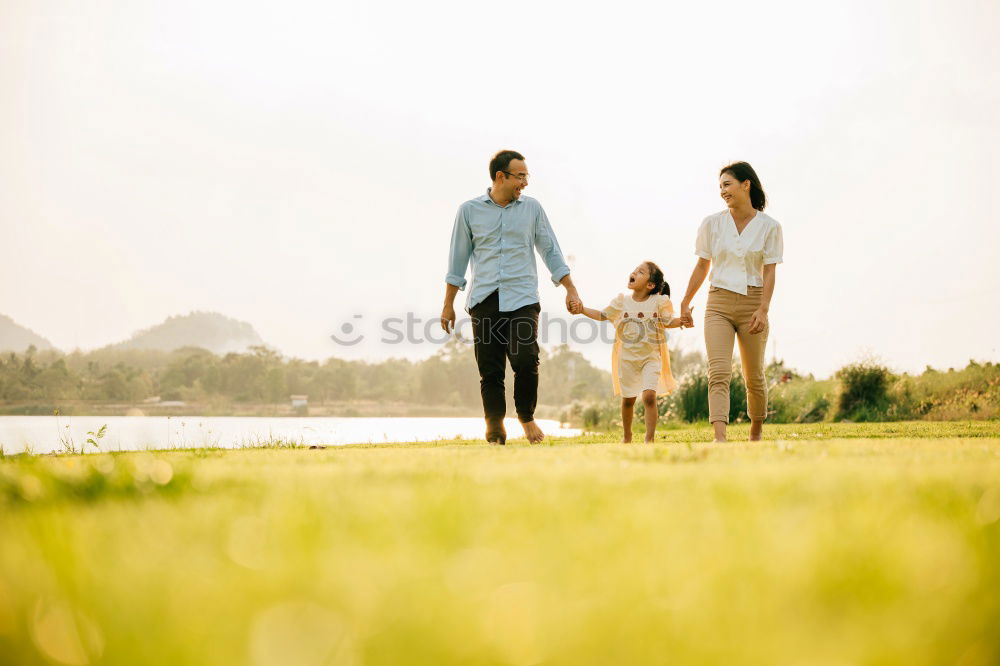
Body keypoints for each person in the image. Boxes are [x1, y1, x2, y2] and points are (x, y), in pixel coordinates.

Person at [440, 150, 581, 445]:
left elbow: (551, 249)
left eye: (527, 176)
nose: (525, 183)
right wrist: (448, 304)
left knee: (526, 359)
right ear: (500, 177)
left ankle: (525, 417)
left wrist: (570, 287)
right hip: (484, 299)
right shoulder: (469, 211)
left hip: (523, 298)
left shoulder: (532, 209)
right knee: (490, 371)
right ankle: (494, 430)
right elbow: (457, 260)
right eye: (521, 176)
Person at [678, 161, 783, 443]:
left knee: (754, 377)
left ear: (745, 184)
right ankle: (719, 438)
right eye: (720, 186)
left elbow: (769, 271)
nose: (723, 191)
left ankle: (756, 432)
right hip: (718, 303)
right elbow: (702, 266)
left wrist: (763, 309)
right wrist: (686, 301)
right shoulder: (711, 224)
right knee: (719, 371)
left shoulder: (770, 227)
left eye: (728, 184)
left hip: (753, 304)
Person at [571, 262, 682, 443]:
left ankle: (649, 438)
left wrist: (683, 321)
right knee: (628, 400)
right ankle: (627, 436)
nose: (634, 272)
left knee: (649, 396)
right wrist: (582, 309)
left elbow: (669, 322)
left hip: (651, 358)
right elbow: (602, 315)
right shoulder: (622, 302)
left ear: (650, 285)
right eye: (635, 270)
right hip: (627, 360)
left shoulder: (658, 302)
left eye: (641, 272)